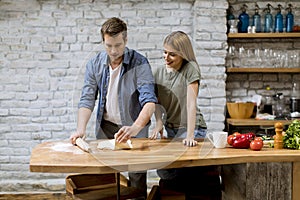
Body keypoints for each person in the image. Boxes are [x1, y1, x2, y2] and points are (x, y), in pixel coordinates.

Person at [70, 17, 157, 198]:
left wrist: (135, 128)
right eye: (109, 45)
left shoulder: (140, 63)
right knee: (106, 176)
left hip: (134, 126)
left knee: (137, 176)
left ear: (125, 40)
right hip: (106, 126)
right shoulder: (94, 64)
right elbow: (87, 99)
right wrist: (80, 129)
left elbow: (149, 102)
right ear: (103, 41)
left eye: (118, 45)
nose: (114, 51)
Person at [150, 31, 220, 196]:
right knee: (164, 171)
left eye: (172, 54)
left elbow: (191, 103)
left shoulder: (190, 68)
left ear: (182, 54)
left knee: (188, 174)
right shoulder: (158, 73)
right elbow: (157, 103)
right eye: (165, 52)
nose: (166, 57)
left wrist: (190, 136)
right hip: (171, 129)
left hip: (193, 127)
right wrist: (159, 122)